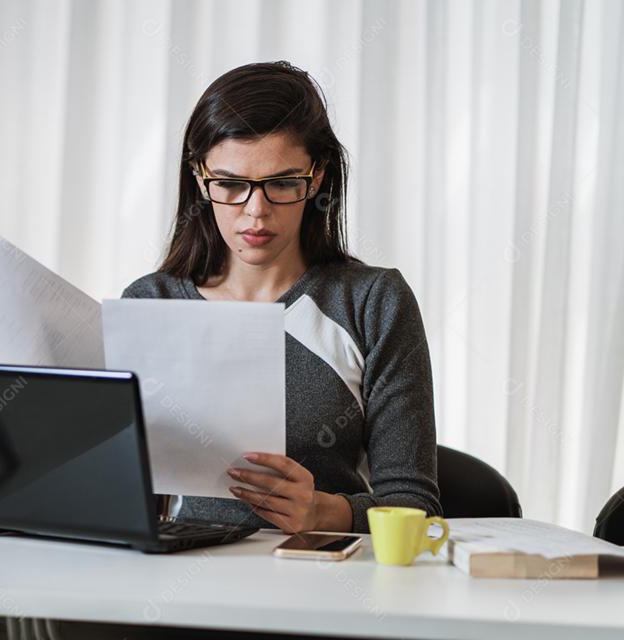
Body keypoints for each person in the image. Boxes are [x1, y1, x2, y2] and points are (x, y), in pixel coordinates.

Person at [122, 61, 441, 534]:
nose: (255, 212)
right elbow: (125, 492)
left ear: (315, 179)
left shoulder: (371, 302)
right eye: (229, 184)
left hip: (319, 578)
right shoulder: (151, 304)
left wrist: (323, 511)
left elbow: (416, 508)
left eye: (282, 184)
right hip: (178, 582)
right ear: (198, 178)